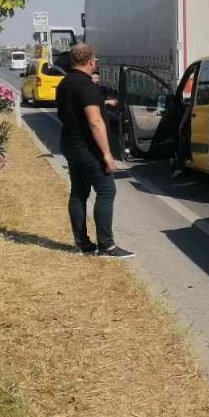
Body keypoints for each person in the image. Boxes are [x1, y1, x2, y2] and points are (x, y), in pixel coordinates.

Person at [55, 44, 133, 258]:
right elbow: (95, 122)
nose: (95, 63)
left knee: (79, 192)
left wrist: (102, 102)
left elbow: (76, 111)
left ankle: (82, 244)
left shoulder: (65, 83)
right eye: (95, 60)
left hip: (70, 145)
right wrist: (107, 154)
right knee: (107, 191)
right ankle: (106, 245)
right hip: (87, 148)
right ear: (90, 61)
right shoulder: (86, 86)